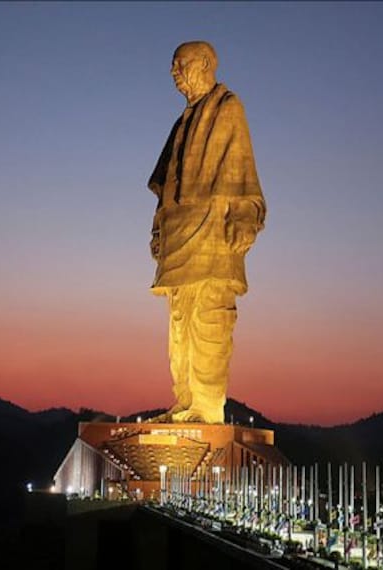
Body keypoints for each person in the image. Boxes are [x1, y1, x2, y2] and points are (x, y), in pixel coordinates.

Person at [147, 41, 266, 424]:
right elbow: (166, 183)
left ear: (204, 64)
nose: (174, 72)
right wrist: (159, 227)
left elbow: (241, 168)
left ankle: (206, 405)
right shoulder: (182, 121)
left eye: (180, 64)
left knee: (210, 317)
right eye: (173, 65)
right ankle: (185, 401)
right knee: (180, 322)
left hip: (213, 229)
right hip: (179, 232)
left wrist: (243, 215)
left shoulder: (227, 107)